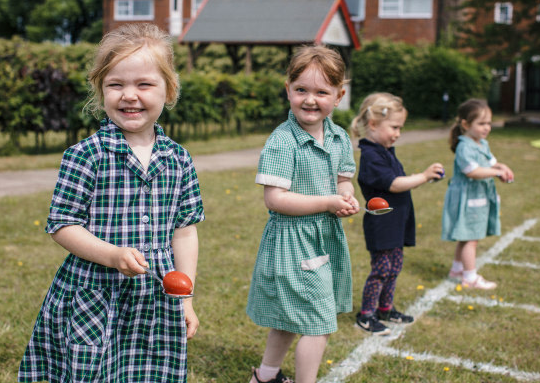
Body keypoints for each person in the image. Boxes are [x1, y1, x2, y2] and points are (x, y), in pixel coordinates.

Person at [18, 23, 205, 382]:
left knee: (149, 370)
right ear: (100, 90)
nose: (129, 95)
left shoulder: (179, 159)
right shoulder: (86, 155)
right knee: (95, 371)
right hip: (95, 292)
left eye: (144, 84)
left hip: (156, 294)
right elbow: (62, 225)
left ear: (169, 91)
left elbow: (184, 231)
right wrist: (113, 255)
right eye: (115, 84)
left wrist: (186, 297)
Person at [246, 45, 359, 383]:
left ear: (338, 96)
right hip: (293, 243)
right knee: (318, 322)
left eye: (322, 92)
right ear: (288, 91)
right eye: (301, 90)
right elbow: (275, 199)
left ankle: (265, 377)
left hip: (322, 237)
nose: (311, 100)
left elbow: (343, 181)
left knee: (288, 317)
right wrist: (327, 202)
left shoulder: (338, 137)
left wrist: (345, 198)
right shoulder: (283, 141)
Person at [350, 93, 444, 335]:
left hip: (396, 223)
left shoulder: (385, 150)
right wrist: (422, 176)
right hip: (382, 226)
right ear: (373, 124)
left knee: (394, 268)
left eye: (400, 128)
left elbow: (399, 181)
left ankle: (385, 308)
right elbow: (393, 184)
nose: (398, 133)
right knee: (381, 270)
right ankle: (366, 314)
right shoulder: (371, 155)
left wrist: (423, 179)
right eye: (394, 127)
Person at [442, 98, 514, 289]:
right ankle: (470, 277)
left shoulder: (482, 143)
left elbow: (491, 163)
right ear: (465, 124)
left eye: (489, 123)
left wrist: (502, 167)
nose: (487, 128)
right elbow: (472, 171)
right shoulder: (464, 146)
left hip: (477, 197)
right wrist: (496, 172)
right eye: (481, 123)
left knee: (467, 236)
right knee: (471, 238)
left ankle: (457, 269)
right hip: (468, 199)